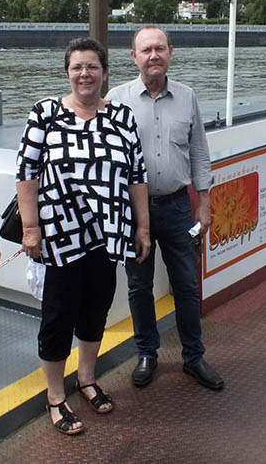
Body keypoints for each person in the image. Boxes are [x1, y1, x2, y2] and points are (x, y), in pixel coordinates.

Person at [16, 37, 151, 435]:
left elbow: (136, 178)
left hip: (107, 237)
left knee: (96, 312)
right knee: (57, 317)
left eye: (92, 67)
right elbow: (26, 174)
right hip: (60, 237)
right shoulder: (45, 114)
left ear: (105, 73)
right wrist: (30, 229)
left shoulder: (122, 118)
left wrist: (142, 228)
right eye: (77, 67)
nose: (85, 74)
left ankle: (87, 379)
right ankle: (56, 397)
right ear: (67, 73)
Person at [107, 26, 224, 391]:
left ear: (170, 52)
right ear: (134, 57)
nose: (153, 55)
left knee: (187, 285)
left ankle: (193, 357)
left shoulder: (187, 97)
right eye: (146, 50)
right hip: (131, 211)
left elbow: (200, 153)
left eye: (160, 48)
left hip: (176, 207)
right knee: (139, 288)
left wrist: (203, 204)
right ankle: (147, 353)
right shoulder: (115, 99)